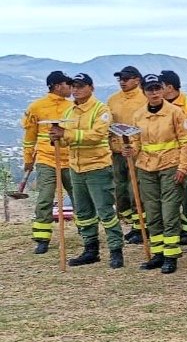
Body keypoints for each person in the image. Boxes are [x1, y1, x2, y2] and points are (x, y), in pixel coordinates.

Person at [50, 73, 124, 268]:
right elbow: (66, 139)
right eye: (73, 86)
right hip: (76, 167)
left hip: (97, 167)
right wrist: (56, 138)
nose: (76, 90)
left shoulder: (101, 109)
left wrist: (66, 133)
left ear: (91, 88)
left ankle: (116, 250)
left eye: (81, 86)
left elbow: (96, 135)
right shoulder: (69, 111)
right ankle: (91, 250)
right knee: (83, 212)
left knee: (105, 211)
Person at [125, 74, 187, 274]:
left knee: (169, 212)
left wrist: (183, 167)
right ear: (144, 92)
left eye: (157, 88)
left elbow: (186, 142)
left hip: (170, 167)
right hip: (146, 168)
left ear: (162, 89)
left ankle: (171, 255)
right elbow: (136, 142)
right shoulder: (138, 115)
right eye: (150, 89)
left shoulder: (175, 112)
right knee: (152, 212)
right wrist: (130, 150)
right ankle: (158, 253)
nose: (154, 93)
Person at [23, 71, 75, 254]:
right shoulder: (36, 107)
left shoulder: (74, 107)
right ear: (57, 86)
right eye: (68, 84)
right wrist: (28, 159)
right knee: (45, 198)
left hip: (71, 160)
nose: (71, 88)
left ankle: (87, 233)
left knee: (79, 197)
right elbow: (29, 137)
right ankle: (42, 239)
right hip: (46, 160)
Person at [107, 66, 148, 244]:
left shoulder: (144, 99)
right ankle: (132, 223)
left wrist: (137, 147)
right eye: (120, 79)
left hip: (136, 152)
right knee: (120, 190)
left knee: (136, 190)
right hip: (117, 152)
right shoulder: (113, 100)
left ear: (137, 80)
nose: (122, 82)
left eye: (126, 78)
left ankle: (142, 227)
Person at [160, 70, 187, 245]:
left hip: (185, 158)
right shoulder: (158, 106)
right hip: (165, 161)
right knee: (170, 199)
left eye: (160, 86)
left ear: (169, 87)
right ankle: (173, 228)